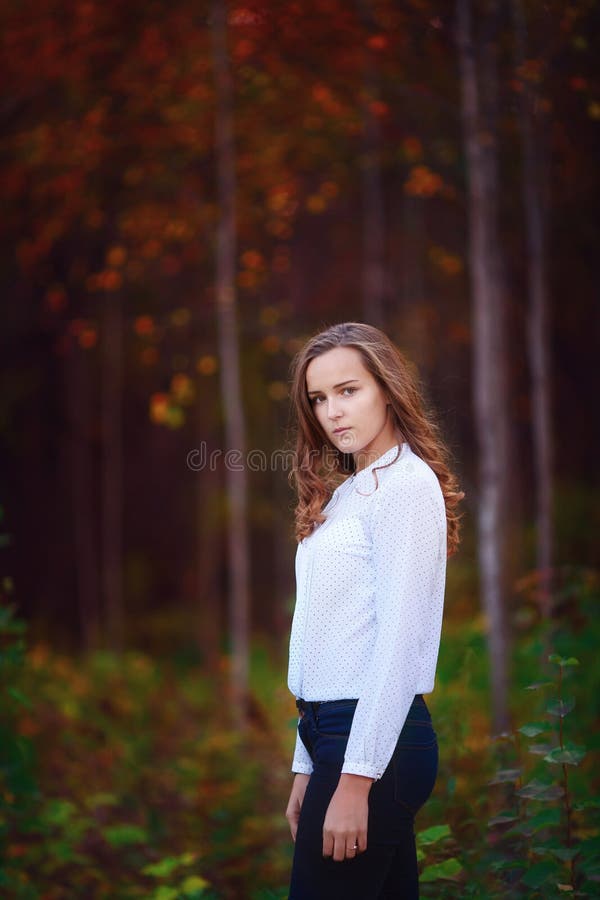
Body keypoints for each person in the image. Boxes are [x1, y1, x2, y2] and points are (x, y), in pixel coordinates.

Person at [284, 322, 463, 899]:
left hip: (372, 741)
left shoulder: (406, 486)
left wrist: (355, 780)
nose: (332, 411)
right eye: (318, 398)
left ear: (386, 388)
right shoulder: (345, 495)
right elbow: (323, 636)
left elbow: (397, 644)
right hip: (329, 734)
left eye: (348, 390)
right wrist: (306, 762)